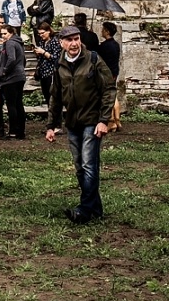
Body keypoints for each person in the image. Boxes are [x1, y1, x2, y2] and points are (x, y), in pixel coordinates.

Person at [46, 23, 116, 224]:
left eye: (77, 39)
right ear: (61, 43)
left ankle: (84, 210)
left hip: (92, 121)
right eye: (69, 40)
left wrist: (104, 120)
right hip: (72, 123)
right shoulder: (60, 65)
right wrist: (51, 125)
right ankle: (96, 208)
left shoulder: (93, 60)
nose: (74, 43)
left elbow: (109, 89)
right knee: (80, 167)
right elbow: (56, 97)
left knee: (88, 165)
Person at [0, 23, 26, 139]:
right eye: (2, 34)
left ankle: (13, 131)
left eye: (5, 33)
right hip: (19, 76)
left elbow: (12, 58)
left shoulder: (10, 43)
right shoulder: (18, 43)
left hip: (11, 78)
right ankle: (20, 131)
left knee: (12, 105)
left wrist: (4, 71)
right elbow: (23, 59)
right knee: (19, 104)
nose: (3, 36)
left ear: (11, 33)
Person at [34, 21, 62, 109]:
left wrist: (44, 52)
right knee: (46, 96)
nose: (41, 35)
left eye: (42, 33)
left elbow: (56, 58)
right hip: (43, 73)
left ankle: (55, 119)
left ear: (48, 31)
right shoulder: (42, 42)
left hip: (52, 73)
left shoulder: (55, 42)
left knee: (53, 98)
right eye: (39, 34)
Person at [99, 22, 121, 132]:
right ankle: (117, 120)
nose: (101, 31)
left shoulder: (104, 46)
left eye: (103, 29)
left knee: (107, 97)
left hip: (107, 73)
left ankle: (111, 121)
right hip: (115, 71)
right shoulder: (116, 44)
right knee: (114, 94)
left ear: (107, 31)